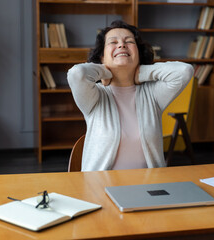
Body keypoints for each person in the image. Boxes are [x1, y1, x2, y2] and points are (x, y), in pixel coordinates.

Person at [67, 20, 194, 171]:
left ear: (139, 54)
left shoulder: (153, 94)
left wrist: (142, 72)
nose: (121, 45)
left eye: (129, 41)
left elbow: (184, 71)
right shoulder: (96, 95)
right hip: (99, 187)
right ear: (101, 57)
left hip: (148, 187)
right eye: (113, 42)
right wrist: (105, 71)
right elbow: (77, 74)